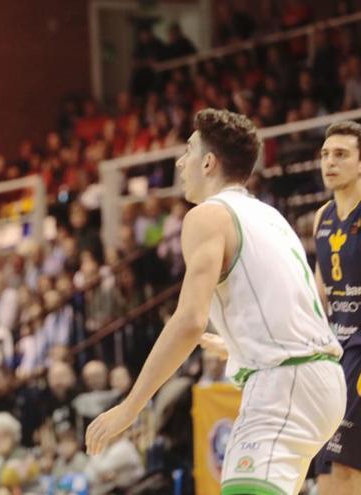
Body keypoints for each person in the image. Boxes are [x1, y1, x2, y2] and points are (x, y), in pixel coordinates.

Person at [85, 109, 345, 495]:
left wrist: (130, 406)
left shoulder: (207, 216)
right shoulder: (268, 215)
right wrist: (238, 344)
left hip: (285, 384)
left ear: (208, 162)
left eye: (188, 151)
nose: (180, 161)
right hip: (317, 380)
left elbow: (189, 320)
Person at [312, 121, 361, 494]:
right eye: (326, 154)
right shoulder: (322, 216)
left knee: (343, 471)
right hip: (335, 353)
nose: (330, 162)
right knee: (330, 472)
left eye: (341, 154)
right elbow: (317, 294)